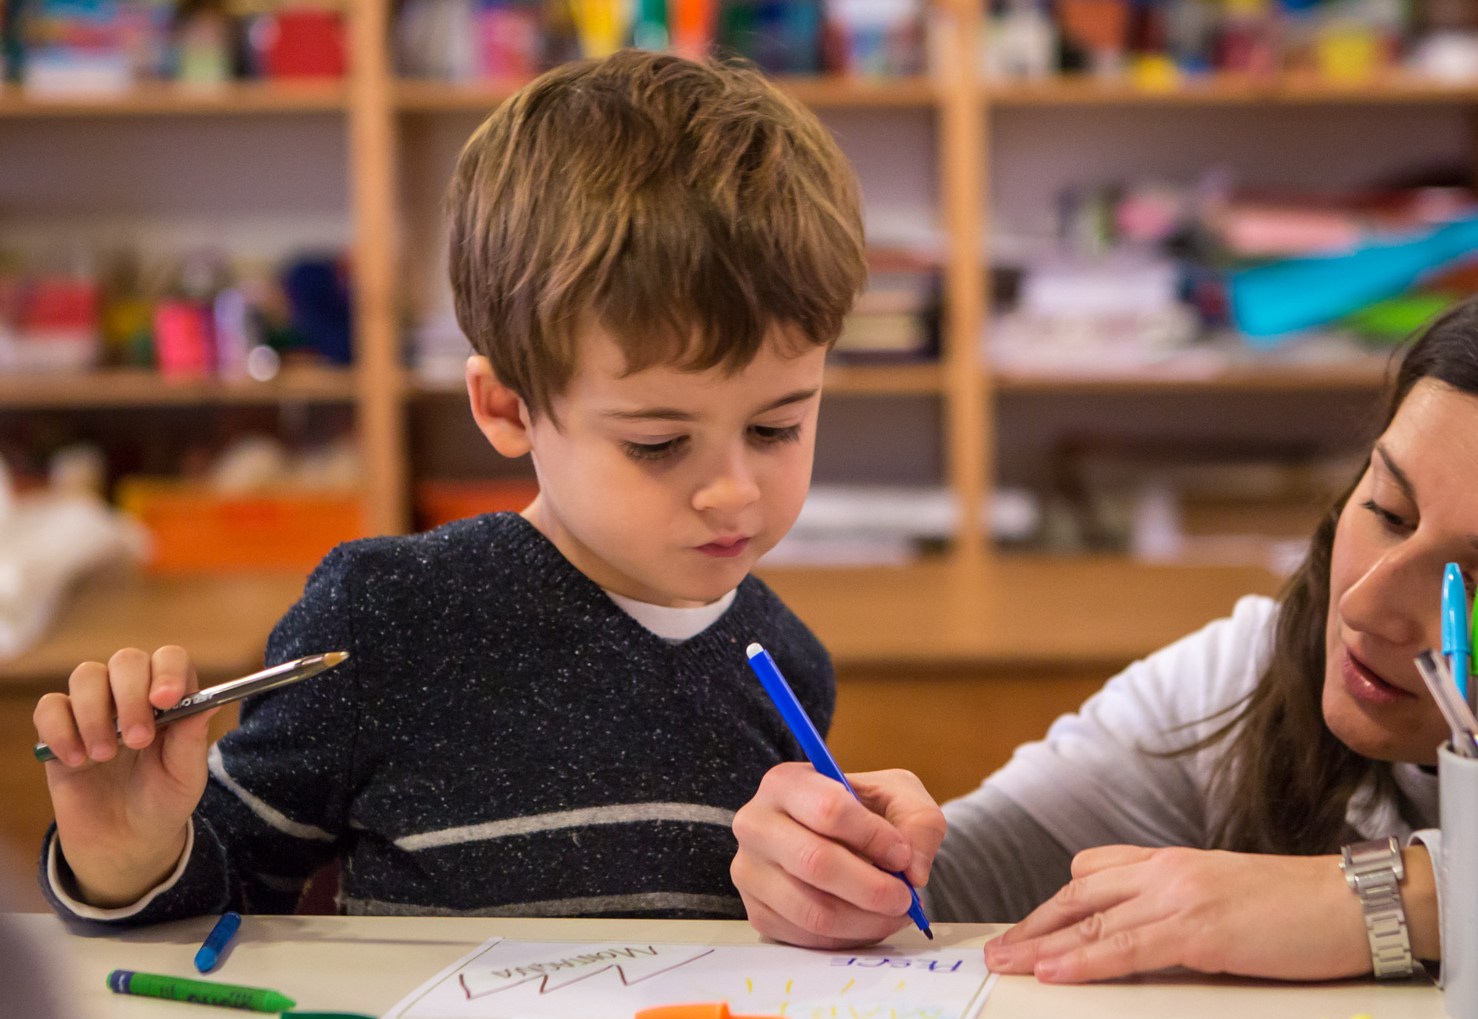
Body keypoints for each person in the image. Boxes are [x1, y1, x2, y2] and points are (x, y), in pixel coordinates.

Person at [730, 257, 1478, 985]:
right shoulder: (1256, 671)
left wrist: (1382, 903)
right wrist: (854, 867)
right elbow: (976, 880)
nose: (1366, 599)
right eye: (1385, 504)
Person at [34, 50, 867, 924]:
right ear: (507, 406)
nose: (734, 493)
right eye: (658, 443)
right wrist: (132, 856)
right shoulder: (384, 619)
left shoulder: (786, 660)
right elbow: (230, 906)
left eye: (777, 427)